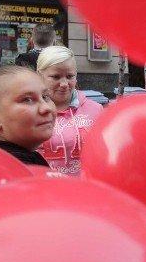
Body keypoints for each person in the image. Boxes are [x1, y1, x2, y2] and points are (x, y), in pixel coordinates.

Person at [35, 46, 103, 175]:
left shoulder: (96, 110)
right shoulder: (28, 112)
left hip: (84, 190)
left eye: (70, 76)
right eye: (56, 77)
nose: (64, 84)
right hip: (43, 191)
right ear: (39, 75)